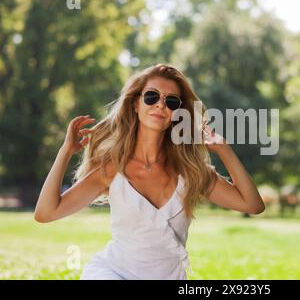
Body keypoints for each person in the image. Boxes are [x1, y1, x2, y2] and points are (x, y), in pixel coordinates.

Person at [34, 63, 265, 280]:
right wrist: (66, 151)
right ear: (136, 104)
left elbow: (253, 205)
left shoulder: (191, 172)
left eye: (171, 101)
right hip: (113, 273)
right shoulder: (112, 169)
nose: (160, 105)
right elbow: (45, 213)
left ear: (178, 113)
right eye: (152, 96)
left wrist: (224, 150)